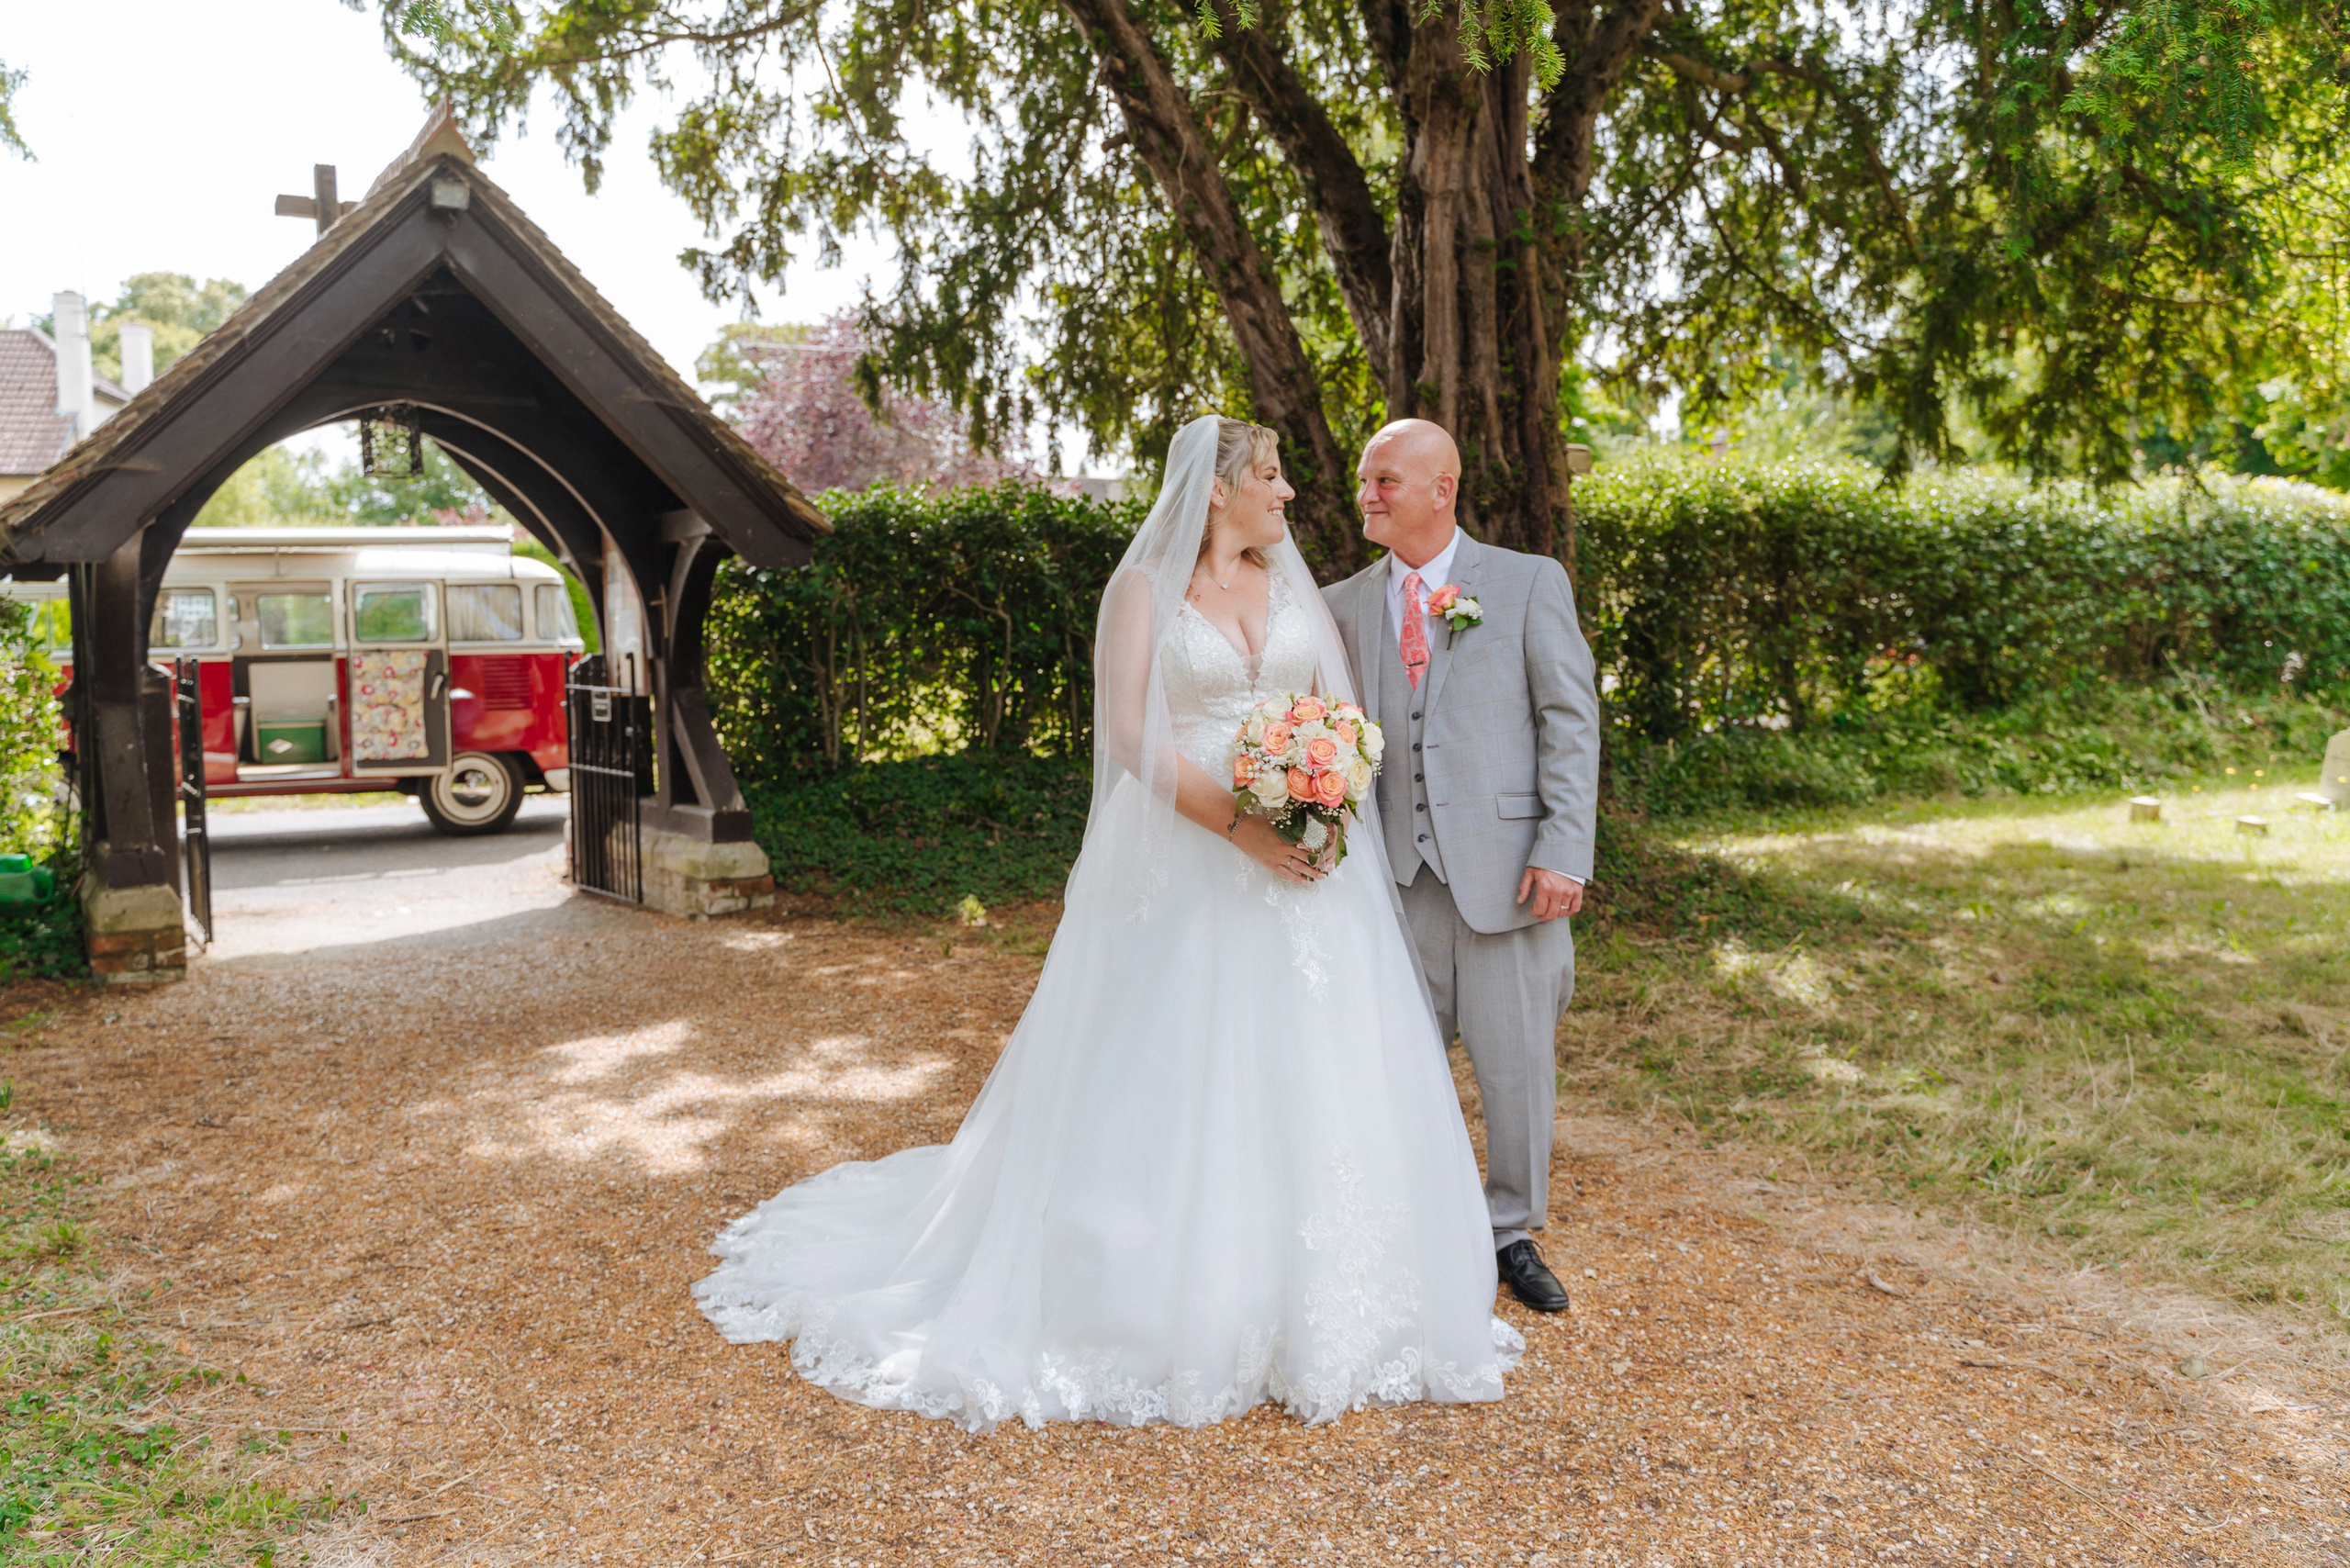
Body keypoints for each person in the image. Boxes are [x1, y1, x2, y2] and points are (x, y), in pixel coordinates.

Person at [695, 415, 1521, 1431]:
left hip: (1308, 869)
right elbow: (1131, 733)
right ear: (1215, 490)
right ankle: (1166, 1288)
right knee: (1177, 1062)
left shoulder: (1293, 587)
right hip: (1186, 853)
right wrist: (1241, 828)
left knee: (1323, 1063)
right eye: (1268, 473)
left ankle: (1325, 1291)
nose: (1290, 493)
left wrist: (1321, 802)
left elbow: (1336, 718)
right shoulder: (1142, 592)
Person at [1323, 420, 1601, 1315]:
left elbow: (1569, 721)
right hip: (1391, 884)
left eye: (1383, 480)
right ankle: (1417, 1225)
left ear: (1441, 488)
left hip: (1509, 875)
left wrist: (1563, 848)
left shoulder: (1524, 582)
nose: (1366, 493)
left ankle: (1508, 1233)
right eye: (1365, 480)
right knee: (1396, 1065)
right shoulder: (1337, 605)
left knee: (1517, 1067)